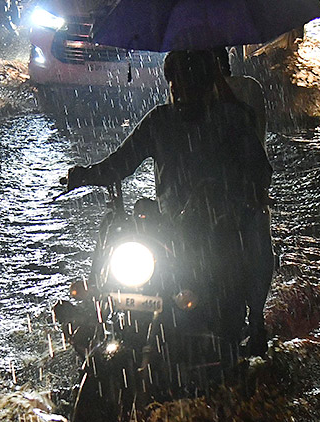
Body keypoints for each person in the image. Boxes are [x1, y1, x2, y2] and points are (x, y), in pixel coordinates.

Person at [63, 49, 274, 355]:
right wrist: (85, 175)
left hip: (223, 227)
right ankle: (96, 306)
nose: (179, 90)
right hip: (172, 227)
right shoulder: (160, 121)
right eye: (175, 82)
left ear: (205, 84)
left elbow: (260, 170)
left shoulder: (232, 119)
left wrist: (242, 193)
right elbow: (120, 164)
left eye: (187, 82)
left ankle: (255, 320)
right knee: (115, 227)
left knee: (255, 240)